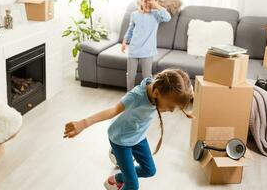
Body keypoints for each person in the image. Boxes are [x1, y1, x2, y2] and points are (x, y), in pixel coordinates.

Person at [64, 68, 194, 190]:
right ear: (156, 93)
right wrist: (84, 123)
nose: (171, 111)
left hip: (138, 137)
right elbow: (113, 110)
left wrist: (189, 92)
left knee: (149, 170)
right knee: (132, 185)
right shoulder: (137, 96)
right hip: (121, 140)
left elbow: (179, 80)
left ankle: (117, 178)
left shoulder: (160, 88)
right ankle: (123, 172)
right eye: (170, 106)